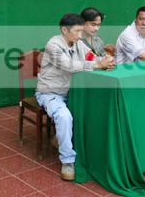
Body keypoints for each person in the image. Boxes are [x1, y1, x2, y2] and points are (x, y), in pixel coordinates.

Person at [36, 13, 115, 181]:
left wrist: (105, 61)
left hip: (72, 92)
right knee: (64, 117)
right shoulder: (53, 45)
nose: (80, 35)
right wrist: (97, 65)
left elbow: (92, 57)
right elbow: (69, 66)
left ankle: (71, 143)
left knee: (95, 108)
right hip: (50, 93)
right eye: (77, 31)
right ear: (64, 30)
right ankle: (68, 161)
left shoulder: (78, 43)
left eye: (81, 31)